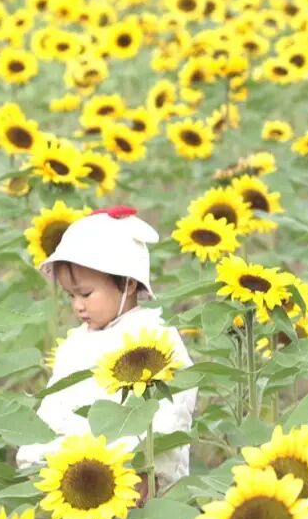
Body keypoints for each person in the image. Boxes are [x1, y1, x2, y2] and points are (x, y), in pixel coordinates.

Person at [15, 206, 197, 499]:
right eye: (71, 296)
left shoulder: (155, 336)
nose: (78, 306)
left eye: (86, 294)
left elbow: (173, 409)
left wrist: (148, 467)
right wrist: (37, 455)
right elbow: (54, 409)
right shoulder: (75, 345)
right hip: (82, 487)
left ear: (128, 282)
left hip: (142, 490)